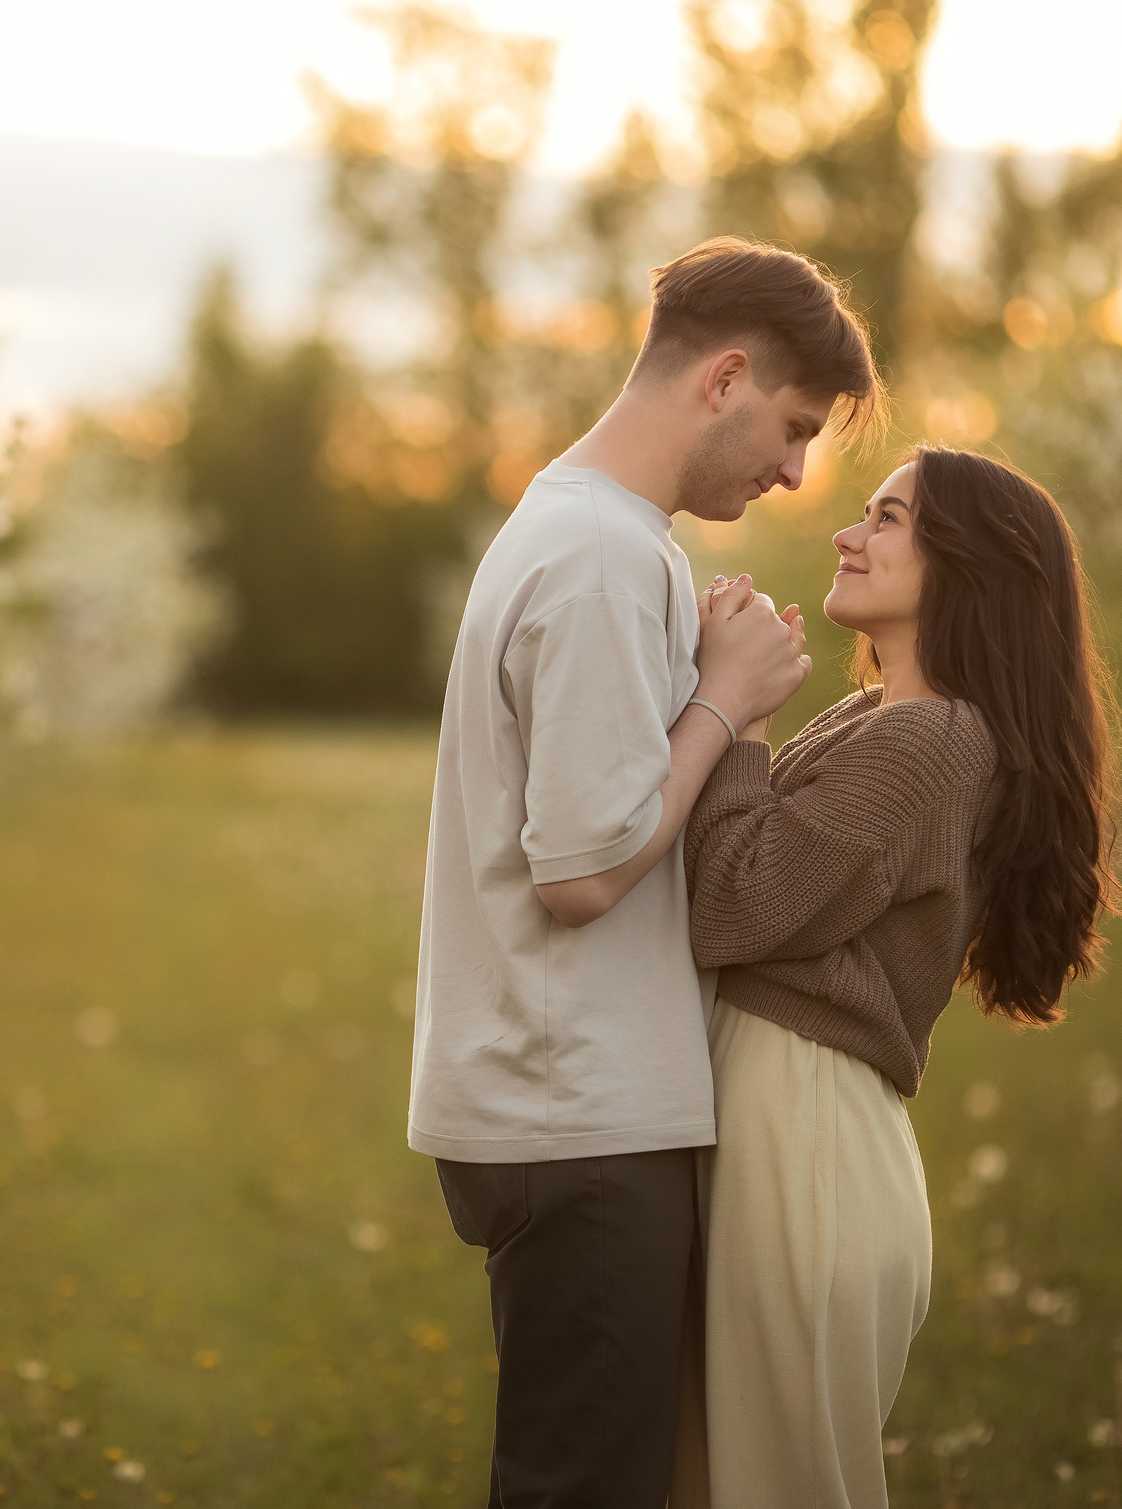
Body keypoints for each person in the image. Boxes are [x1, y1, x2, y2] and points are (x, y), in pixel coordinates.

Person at [407, 237, 880, 1509]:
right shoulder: (607, 555)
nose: (792, 473)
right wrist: (724, 704)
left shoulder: (579, 528)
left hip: (561, 1101)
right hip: (578, 1113)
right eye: (789, 429)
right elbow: (583, 865)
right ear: (721, 377)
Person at [673, 446, 1122, 1509]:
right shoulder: (889, 719)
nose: (845, 532)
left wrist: (736, 717)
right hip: (795, 1128)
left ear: (967, 567)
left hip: (807, 1140)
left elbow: (733, 903)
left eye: (886, 519)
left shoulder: (926, 741)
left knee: (772, 1490)